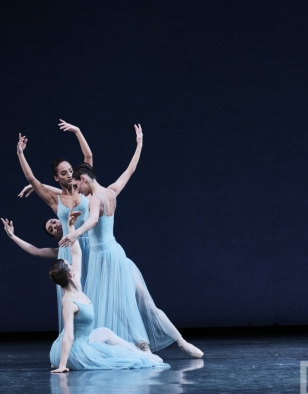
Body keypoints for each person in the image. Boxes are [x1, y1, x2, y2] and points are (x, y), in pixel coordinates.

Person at [58, 124, 203, 358]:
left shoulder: (95, 198)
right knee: (145, 303)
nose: (77, 190)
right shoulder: (111, 191)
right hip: (118, 253)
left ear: (84, 179)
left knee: (121, 307)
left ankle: (143, 347)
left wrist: (75, 233)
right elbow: (130, 170)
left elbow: (93, 220)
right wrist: (139, 144)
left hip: (104, 258)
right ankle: (182, 342)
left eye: (77, 185)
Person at [49, 208, 168, 372]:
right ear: (70, 273)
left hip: (82, 340)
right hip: (74, 351)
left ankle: (144, 353)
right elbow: (68, 335)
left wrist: (71, 227)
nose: (72, 264)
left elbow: (76, 252)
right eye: (69, 264)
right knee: (113, 355)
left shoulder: (75, 282)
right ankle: (142, 356)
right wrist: (62, 365)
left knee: (105, 332)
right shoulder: (69, 301)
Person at [16, 120, 93, 332]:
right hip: (71, 251)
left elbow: (88, 158)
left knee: (95, 292)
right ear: (56, 177)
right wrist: (21, 154)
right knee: (76, 295)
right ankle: (75, 339)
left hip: (91, 246)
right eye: (64, 173)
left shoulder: (82, 189)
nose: (69, 175)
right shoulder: (54, 201)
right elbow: (32, 178)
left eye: (70, 171)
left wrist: (77, 130)